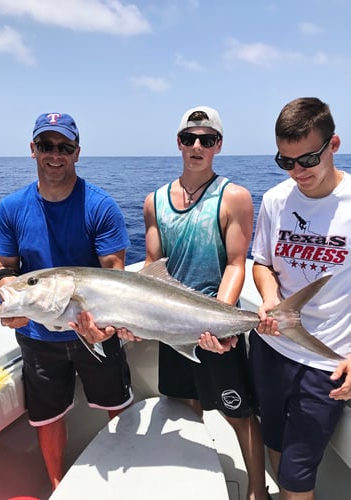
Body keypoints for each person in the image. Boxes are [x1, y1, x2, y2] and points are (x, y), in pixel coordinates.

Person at [0, 112, 134, 490]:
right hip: (39, 337)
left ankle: (122, 481)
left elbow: (115, 278)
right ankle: (57, 486)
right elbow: (6, 269)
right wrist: (11, 300)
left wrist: (105, 328)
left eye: (64, 147)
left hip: (94, 332)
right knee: (47, 415)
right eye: (46, 145)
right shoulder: (11, 207)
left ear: (77, 153)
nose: (54, 154)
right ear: (32, 149)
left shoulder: (100, 206)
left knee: (114, 403)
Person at [143, 105, 269, 500]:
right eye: (189, 138)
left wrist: (220, 318)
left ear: (218, 145)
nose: (197, 146)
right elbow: (151, 268)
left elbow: (235, 265)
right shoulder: (154, 201)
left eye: (207, 139)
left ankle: (256, 490)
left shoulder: (234, 196)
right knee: (183, 405)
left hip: (215, 325)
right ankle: (193, 485)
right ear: (178, 143)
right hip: (170, 327)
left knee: (239, 412)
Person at [249, 97, 351, 499]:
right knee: (274, 442)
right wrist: (271, 296)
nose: (297, 172)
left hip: (326, 360)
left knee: (295, 474)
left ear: (334, 145)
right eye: (285, 161)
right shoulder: (276, 200)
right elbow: (261, 262)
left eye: (307, 159)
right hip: (273, 347)